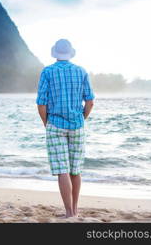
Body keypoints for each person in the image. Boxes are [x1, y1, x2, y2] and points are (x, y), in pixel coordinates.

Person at [36, 39, 95, 218]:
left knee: (63, 170)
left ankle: (69, 212)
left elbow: (41, 103)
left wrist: (47, 123)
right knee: (75, 170)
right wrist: (81, 118)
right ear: (70, 53)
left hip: (55, 124)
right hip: (77, 124)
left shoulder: (47, 72)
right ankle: (75, 210)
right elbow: (90, 101)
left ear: (55, 53)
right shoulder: (81, 71)